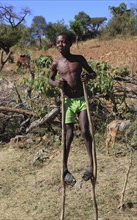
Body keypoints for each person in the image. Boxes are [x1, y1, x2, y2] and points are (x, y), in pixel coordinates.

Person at [48, 32, 96, 186]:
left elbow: (93, 73)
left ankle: (91, 165)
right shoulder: (56, 64)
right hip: (68, 102)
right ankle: (64, 170)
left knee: (84, 130)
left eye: (63, 42)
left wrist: (88, 77)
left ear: (70, 44)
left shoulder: (79, 59)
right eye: (58, 42)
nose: (60, 44)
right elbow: (50, 79)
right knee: (68, 135)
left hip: (82, 101)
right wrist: (56, 84)